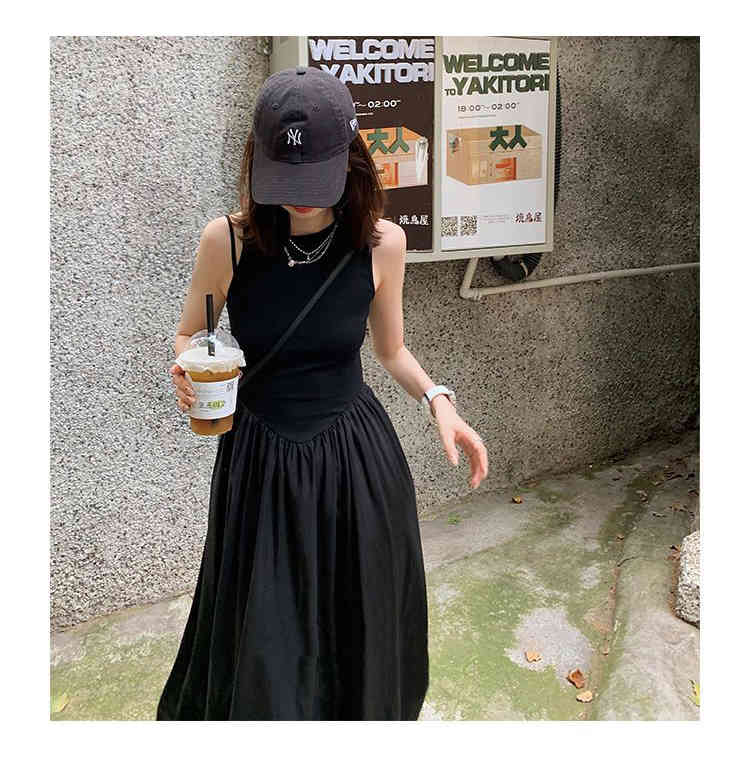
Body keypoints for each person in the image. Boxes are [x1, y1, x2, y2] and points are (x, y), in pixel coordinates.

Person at [156, 65, 488, 721]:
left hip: (353, 463)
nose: (301, 201)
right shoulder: (227, 241)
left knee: (355, 626)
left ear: (349, 158)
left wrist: (439, 400)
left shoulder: (382, 244)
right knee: (265, 639)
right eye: (287, 180)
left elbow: (390, 350)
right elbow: (191, 330)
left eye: (316, 181)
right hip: (260, 463)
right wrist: (186, 367)